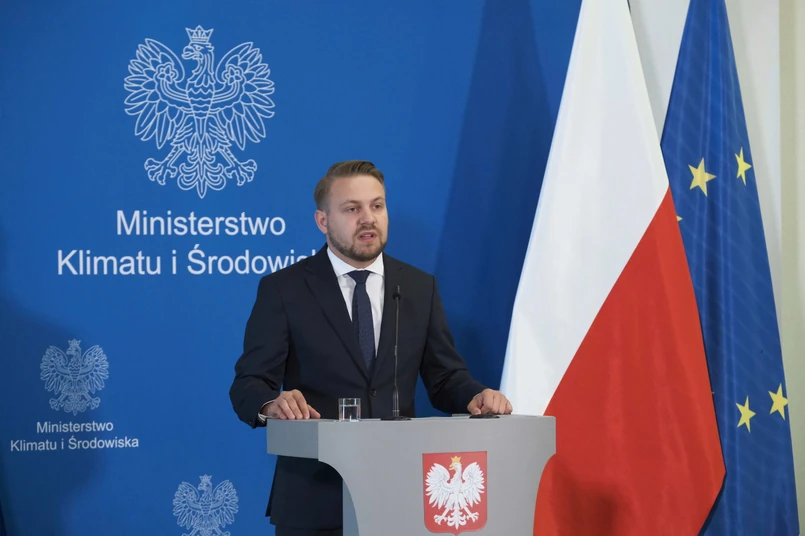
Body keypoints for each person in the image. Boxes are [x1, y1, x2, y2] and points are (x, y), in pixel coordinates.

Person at [229, 160, 513, 536]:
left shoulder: (419, 287)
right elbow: (249, 383)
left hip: (401, 494)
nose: (368, 218)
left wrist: (475, 396)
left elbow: (445, 378)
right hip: (314, 500)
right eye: (352, 209)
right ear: (322, 221)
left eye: (377, 206)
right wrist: (271, 404)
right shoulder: (285, 289)